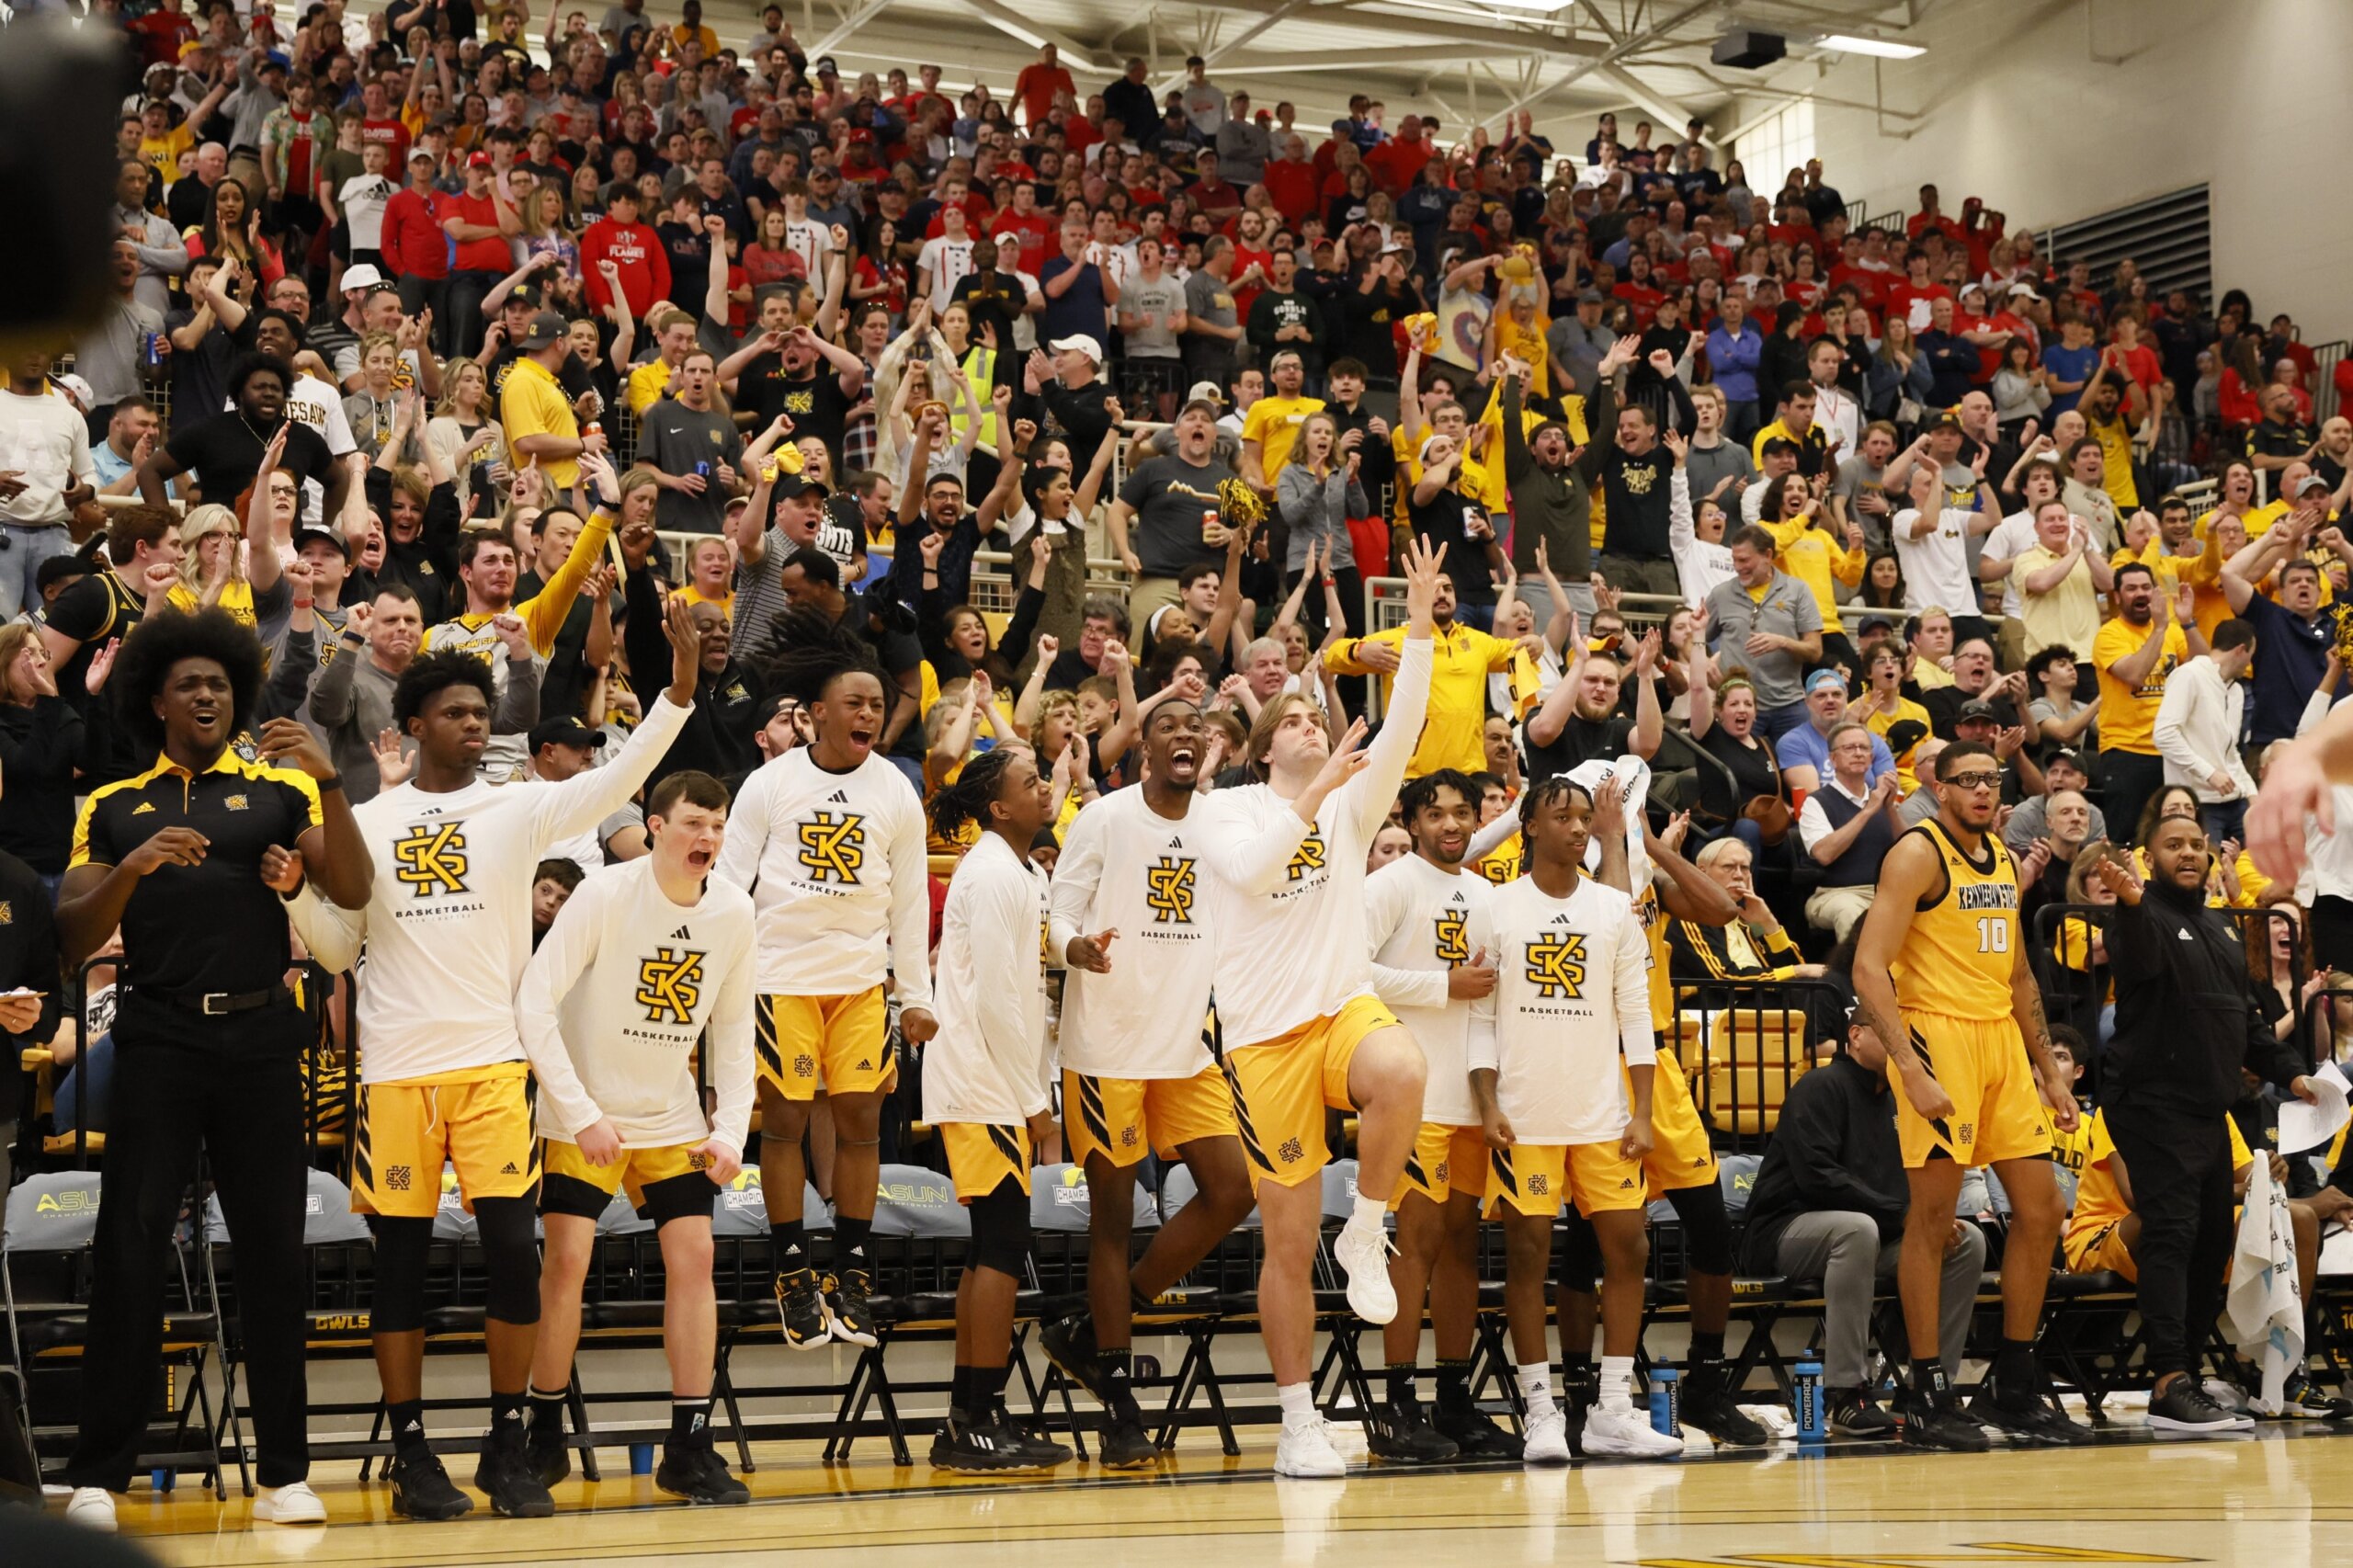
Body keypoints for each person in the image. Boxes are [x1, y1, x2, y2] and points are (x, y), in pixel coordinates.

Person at [287, 599, 700, 1522]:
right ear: (413, 725)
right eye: (456, 712)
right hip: (395, 1072)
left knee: (515, 1255)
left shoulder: (518, 807)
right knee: (400, 1268)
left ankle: (507, 1441)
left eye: (482, 711)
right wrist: (294, 897)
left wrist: (677, 691)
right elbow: (337, 946)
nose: (475, 723)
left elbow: (625, 772)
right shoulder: (369, 819)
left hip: (492, 1068)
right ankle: (410, 1449)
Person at [55, 608, 373, 1534]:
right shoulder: (112, 805)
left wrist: (331, 783)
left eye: (221, 685)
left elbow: (353, 889)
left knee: (273, 1254)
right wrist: (133, 868)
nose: (208, 696)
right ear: (156, 700)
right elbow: (71, 936)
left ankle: (284, 1474)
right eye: (189, 684)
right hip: (157, 1040)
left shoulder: (282, 791)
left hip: (263, 1039)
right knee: (129, 1249)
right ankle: (100, 1474)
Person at [1203, 538, 1442, 1478]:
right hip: (1263, 1038)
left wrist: (1416, 629)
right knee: (1287, 1242)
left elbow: (1406, 726)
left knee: (1403, 1068)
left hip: (1341, 1007)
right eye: (1294, 719)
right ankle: (1298, 1420)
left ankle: (1369, 1226)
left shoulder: (1349, 804)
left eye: (1316, 714)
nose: (1310, 725)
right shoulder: (1228, 809)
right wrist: (1317, 795)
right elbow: (1254, 874)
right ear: (1266, 746)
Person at [514, 770, 755, 1505]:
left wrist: (731, 1131)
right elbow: (534, 1002)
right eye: (693, 823)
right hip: (584, 1112)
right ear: (654, 826)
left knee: (696, 1257)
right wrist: (579, 1111)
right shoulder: (604, 894)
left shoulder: (734, 910)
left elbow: (735, 1031)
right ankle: (543, 1432)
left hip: (669, 1116)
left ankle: (689, 1445)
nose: (707, 838)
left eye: (717, 826)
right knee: (568, 1262)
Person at [1851, 741, 2090, 1452]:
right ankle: (1926, 1390)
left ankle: (2013, 1383)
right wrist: (1909, 1066)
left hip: (2000, 1044)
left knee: (2043, 1208)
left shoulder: (2005, 864)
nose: (1984, 790)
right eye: (1968, 780)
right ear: (1941, 789)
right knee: (1934, 1220)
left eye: (1991, 778)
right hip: (1938, 1036)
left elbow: (2018, 977)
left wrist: (2049, 1071)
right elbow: (1868, 968)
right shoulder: (1917, 854)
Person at [710, 610, 937, 1358]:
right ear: (816, 714)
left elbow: (910, 902)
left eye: (876, 704)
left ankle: (853, 1268)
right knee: (784, 1121)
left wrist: (917, 996)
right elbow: (728, 888)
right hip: (780, 977)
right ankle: (790, 1268)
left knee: (862, 1124)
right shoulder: (770, 785)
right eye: (855, 703)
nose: (869, 713)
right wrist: (716, 986)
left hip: (861, 982)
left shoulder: (896, 790)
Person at [1037, 699, 1255, 1467]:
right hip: (1108, 1046)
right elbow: (1057, 914)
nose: (1184, 734)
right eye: (1168, 726)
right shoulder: (1106, 818)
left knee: (1234, 1190)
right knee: (1113, 1220)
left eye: (1195, 727)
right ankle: (1120, 1405)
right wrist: (1075, 949)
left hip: (1186, 1043)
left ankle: (1096, 1326)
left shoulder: (1223, 823)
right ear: (1143, 750)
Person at [1471, 777, 1681, 1462]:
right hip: (1525, 1117)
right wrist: (1487, 1104)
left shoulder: (1614, 908)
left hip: (1601, 1116)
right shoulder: (1495, 907)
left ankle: (1611, 1410)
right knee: (1528, 1256)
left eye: (1585, 817)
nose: (1578, 827)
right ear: (1529, 826)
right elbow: (1478, 1018)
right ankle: (1540, 1410)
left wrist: (1642, 1111)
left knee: (1630, 1249)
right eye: (1562, 816)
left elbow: (1636, 1017)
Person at [2089, 824, 2321, 1432]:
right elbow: (2138, 962)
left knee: (2213, 1239)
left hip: (2207, 1111)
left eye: (2196, 843)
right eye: (2173, 844)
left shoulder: (2222, 927)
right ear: (2149, 858)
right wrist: (2132, 902)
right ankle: (2168, 1380)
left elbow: (2246, 1023)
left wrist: (2294, 1075)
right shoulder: (2138, 915)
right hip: (2150, 1103)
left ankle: (2187, 1374)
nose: (2188, 852)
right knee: (2173, 1232)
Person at [922, 747, 1072, 1471]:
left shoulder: (1024, 871)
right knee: (1003, 1248)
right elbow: (994, 1003)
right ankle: (975, 1418)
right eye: (1030, 782)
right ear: (1000, 807)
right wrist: (1036, 1102)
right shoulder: (988, 874)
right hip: (982, 1081)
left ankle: (973, 1413)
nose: (1044, 789)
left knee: (992, 1248)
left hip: (998, 1081)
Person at [1362, 769, 1518, 1461]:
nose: (1450, 825)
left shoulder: (1488, 897)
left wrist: (1489, 1100)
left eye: (1461, 813)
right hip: (1410, 1099)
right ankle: (1397, 1405)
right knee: (1415, 1245)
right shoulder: (1388, 886)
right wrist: (1440, 985)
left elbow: (1488, 1002)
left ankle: (1454, 1400)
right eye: (1436, 814)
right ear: (1412, 821)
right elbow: (1348, 971)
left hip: (1468, 1099)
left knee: (1461, 1246)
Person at [1738, 1009, 1986, 1437]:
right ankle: (1846, 1392)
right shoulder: (1819, 1085)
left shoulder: (1902, 1101)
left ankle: (1929, 1389)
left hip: (1870, 1236)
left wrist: (1927, 1220)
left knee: (1968, 1242)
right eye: (1891, 1034)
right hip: (1785, 1230)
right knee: (1856, 1230)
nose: (1902, 1047)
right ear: (1854, 1035)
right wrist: (1902, 1214)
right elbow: (1817, 1177)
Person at [2095, 563, 2199, 841]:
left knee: (2173, 836)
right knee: (2127, 839)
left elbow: (2204, 667)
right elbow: (2135, 674)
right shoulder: (2109, 634)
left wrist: (2188, 623)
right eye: (2131, 589)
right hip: (2127, 750)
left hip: (2172, 749)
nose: (2140, 594)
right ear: (2117, 597)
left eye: (2145, 587)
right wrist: (2160, 628)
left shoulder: (2173, 631)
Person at [2154, 619, 2259, 846]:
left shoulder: (2236, 691)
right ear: (2240, 650)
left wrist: (2252, 793)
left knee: (2259, 863)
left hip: (2236, 801)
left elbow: (2230, 753)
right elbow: (2164, 735)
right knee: (2208, 867)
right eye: (2251, 655)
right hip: (2198, 804)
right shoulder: (2189, 675)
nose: (2250, 664)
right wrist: (2209, 773)